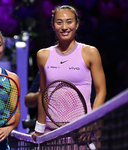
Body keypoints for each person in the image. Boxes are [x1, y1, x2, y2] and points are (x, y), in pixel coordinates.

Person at [32, 5, 106, 141]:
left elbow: (101, 91)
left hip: (82, 131)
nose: (64, 27)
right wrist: (39, 128)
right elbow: (43, 93)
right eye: (59, 22)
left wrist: (91, 122)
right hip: (51, 133)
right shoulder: (42, 55)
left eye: (69, 22)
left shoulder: (90, 52)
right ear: (53, 26)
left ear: (77, 24)